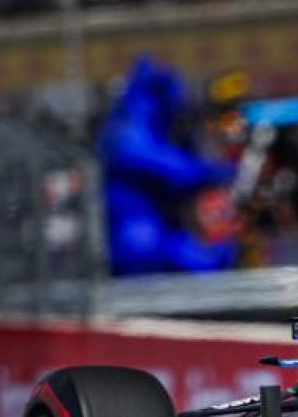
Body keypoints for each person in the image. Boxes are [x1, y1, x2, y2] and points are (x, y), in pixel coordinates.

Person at [99, 57, 237, 275]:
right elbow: (155, 161)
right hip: (137, 238)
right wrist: (209, 171)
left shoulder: (146, 124)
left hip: (153, 230)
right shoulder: (130, 127)